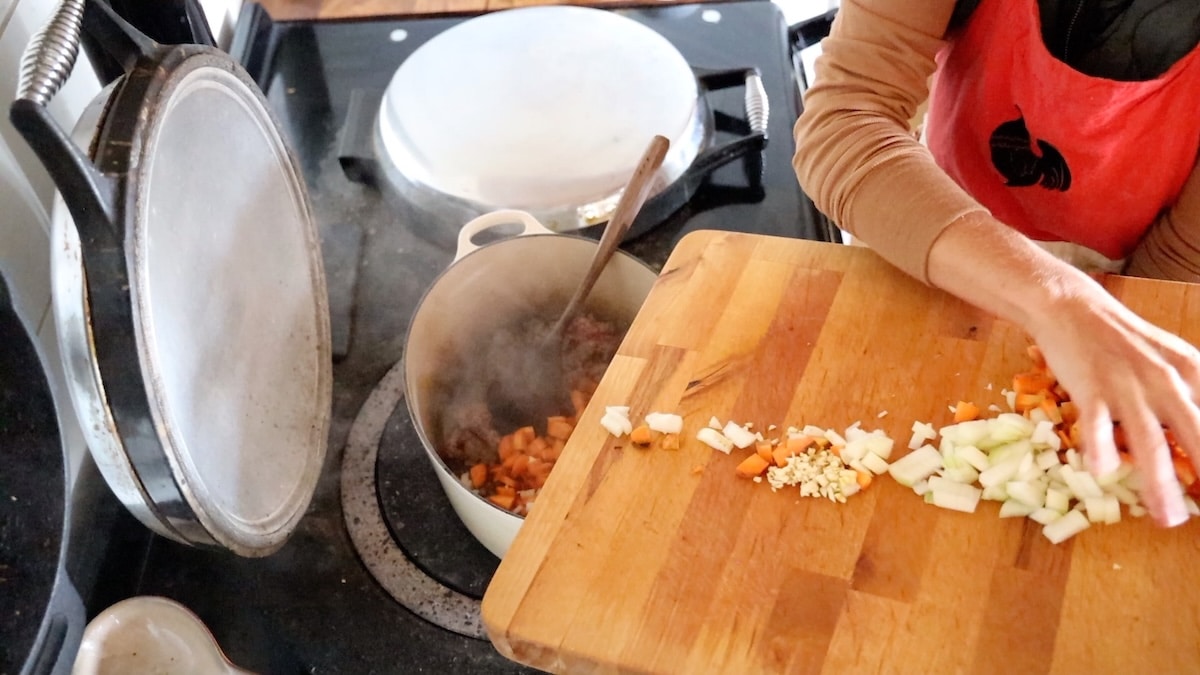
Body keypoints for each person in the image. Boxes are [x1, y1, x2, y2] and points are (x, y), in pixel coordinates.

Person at [793, 0, 1200, 527]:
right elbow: (845, 122)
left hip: (1126, 277)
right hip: (934, 238)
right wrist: (1055, 296)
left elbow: (1182, 254)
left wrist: (1110, 376)